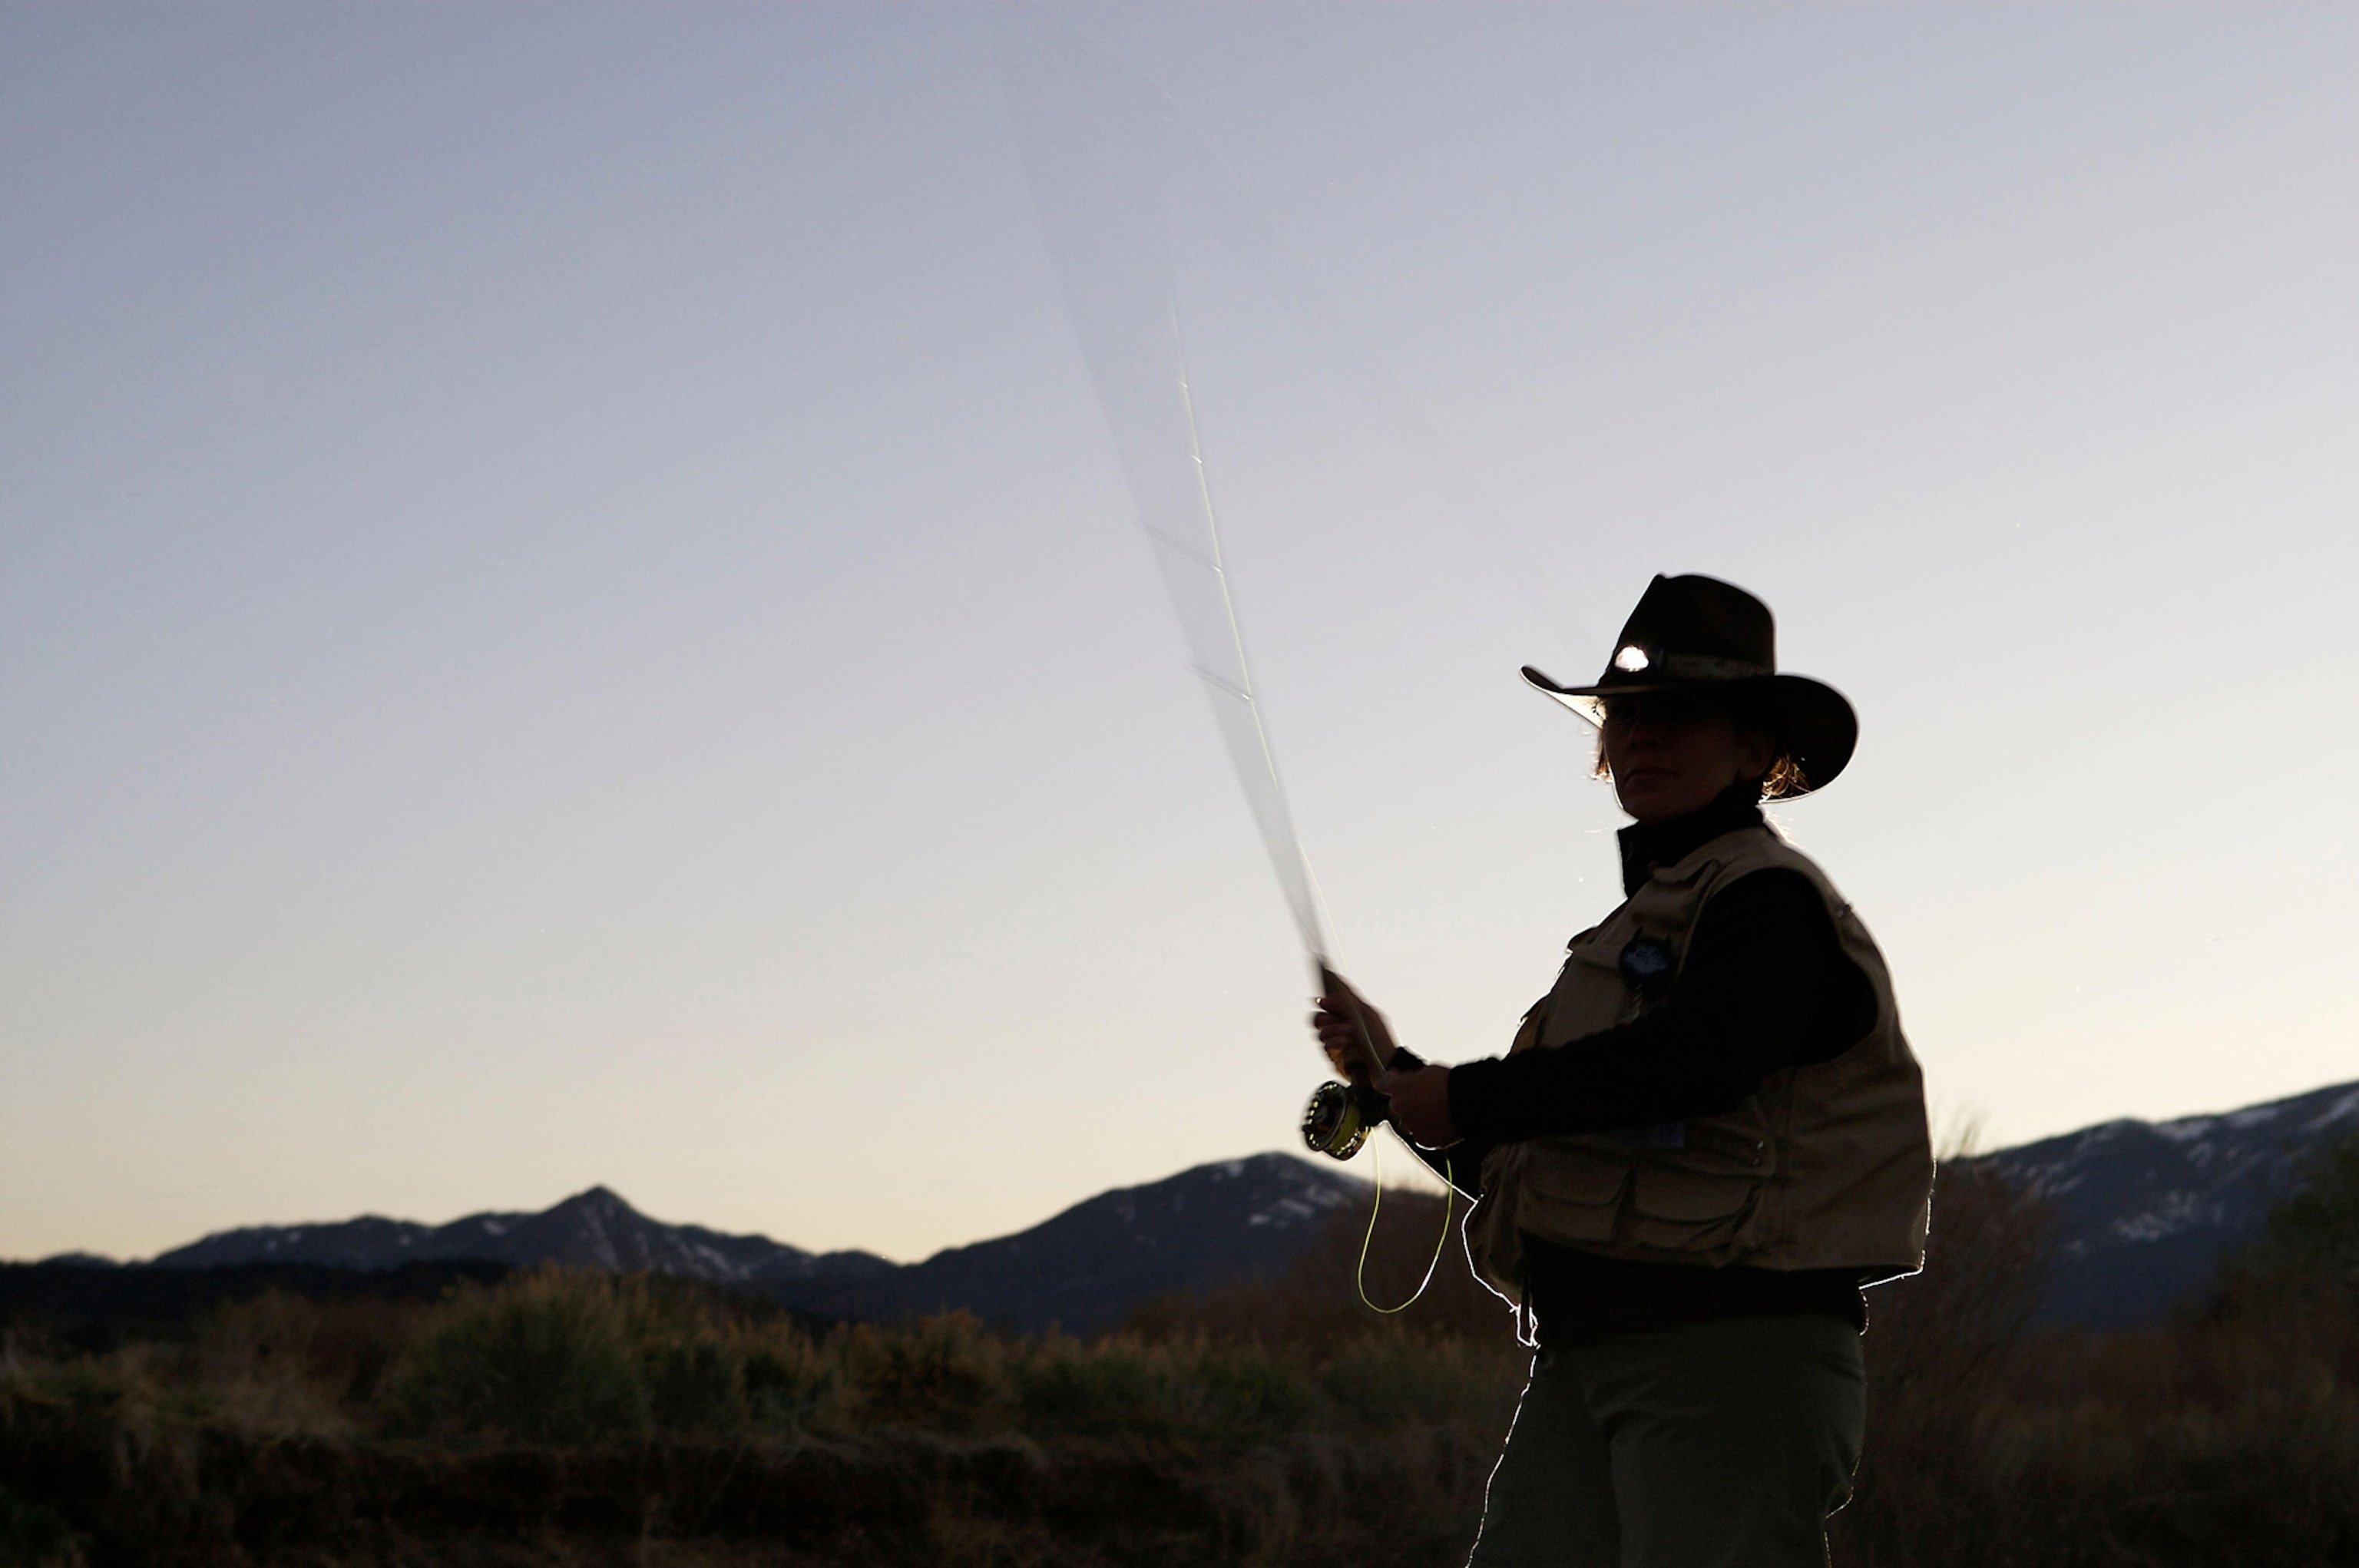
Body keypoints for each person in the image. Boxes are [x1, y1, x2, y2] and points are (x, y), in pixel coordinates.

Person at [1312, 573, 1934, 1568]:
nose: (1639, 734)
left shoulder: (1768, 900)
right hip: (1583, 1362)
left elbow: (1703, 1060)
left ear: (1754, 749)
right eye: (1624, 714)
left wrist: (1462, 1093)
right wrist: (1393, 1080)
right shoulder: (1634, 932)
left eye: (1677, 713)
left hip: (1730, 1361)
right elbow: (1539, 1165)